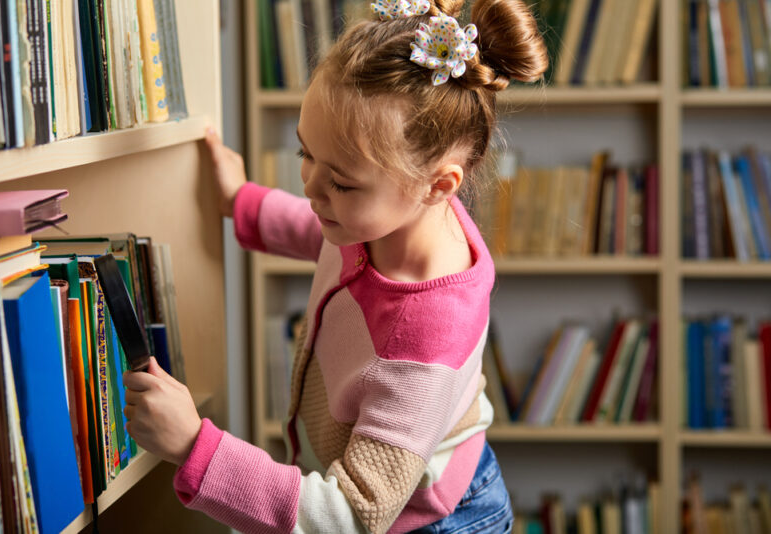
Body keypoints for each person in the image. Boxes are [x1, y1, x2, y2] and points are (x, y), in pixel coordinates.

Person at [122, 0, 547, 532]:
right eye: (306, 154)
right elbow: (328, 234)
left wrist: (193, 446)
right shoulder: (393, 215)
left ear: (439, 185)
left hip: (428, 520)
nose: (311, 187)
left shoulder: (425, 335)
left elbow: (347, 516)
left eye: (341, 182)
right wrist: (245, 202)